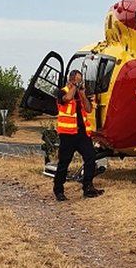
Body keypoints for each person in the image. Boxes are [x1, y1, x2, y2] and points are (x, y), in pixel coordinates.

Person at [53, 70, 103, 201]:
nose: (80, 83)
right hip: (67, 135)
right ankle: (58, 190)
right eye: (78, 80)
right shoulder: (62, 91)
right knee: (64, 162)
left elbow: (88, 109)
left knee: (91, 157)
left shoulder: (81, 94)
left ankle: (88, 187)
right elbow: (67, 99)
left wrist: (82, 93)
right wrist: (74, 87)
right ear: (71, 80)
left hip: (82, 134)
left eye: (81, 80)